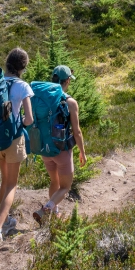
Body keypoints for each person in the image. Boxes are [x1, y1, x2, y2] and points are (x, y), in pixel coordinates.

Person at [0, 47, 34, 246]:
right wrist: (20, 123)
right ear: (23, 67)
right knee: (12, 184)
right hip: (13, 140)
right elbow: (29, 120)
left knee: (4, 181)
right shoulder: (22, 86)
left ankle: (4, 221)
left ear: (7, 63)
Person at [33, 65, 86, 225]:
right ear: (68, 80)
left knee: (54, 182)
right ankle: (46, 209)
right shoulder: (70, 102)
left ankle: (55, 213)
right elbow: (77, 132)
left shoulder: (42, 97)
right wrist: (82, 152)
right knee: (65, 187)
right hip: (62, 150)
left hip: (44, 148)